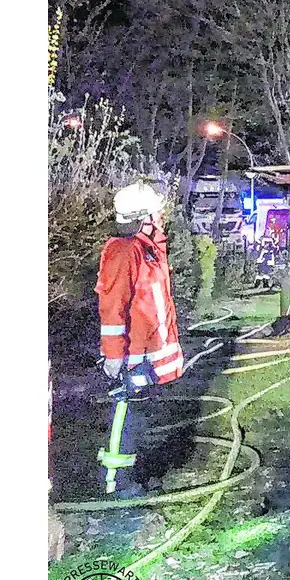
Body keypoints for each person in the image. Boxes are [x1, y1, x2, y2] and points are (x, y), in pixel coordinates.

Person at [94, 181, 185, 496]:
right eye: (156, 211)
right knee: (125, 416)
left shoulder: (149, 250)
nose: (162, 215)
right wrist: (115, 357)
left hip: (147, 355)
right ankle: (114, 483)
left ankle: (132, 476)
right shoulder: (124, 251)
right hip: (131, 357)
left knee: (139, 419)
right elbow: (112, 309)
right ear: (143, 216)